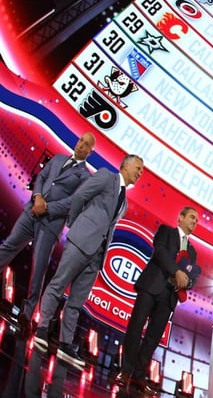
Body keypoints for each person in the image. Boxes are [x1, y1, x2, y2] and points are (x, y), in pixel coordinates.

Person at [33, 154, 144, 370]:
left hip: (97, 255)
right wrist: (75, 224)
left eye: (141, 170)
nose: (140, 173)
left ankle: (65, 343)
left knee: (76, 301)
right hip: (81, 240)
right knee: (58, 284)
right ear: (126, 166)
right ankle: (42, 328)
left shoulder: (125, 203)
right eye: (138, 168)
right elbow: (79, 197)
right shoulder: (105, 176)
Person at [0, 132, 95, 335]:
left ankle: (26, 314)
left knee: (38, 268)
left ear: (90, 151)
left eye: (87, 144)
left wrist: (47, 207)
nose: (81, 145)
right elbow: (42, 177)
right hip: (31, 211)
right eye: (81, 141)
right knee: (8, 246)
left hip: (50, 222)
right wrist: (37, 197)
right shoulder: (59, 158)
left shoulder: (86, 177)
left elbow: (73, 202)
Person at [114, 206, 199, 393]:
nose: (194, 222)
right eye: (192, 217)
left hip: (169, 296)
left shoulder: (193, 252)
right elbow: (159, 252)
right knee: (136, 327)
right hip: (152, 286)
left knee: (153, 337)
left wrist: (188, 282)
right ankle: (125, 371)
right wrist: (176, 271)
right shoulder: (166, 231)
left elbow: (191, 277)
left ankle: (138, 376)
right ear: (181, 217)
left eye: (197, 220)